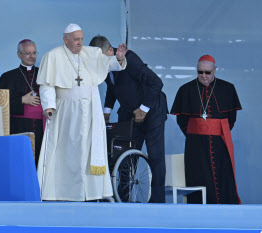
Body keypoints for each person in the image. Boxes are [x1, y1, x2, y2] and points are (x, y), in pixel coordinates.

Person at [36, 23, 128, 201]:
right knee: (67, 151)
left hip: (91, 110)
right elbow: (46, 84)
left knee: (89, 150)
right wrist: (48, 106)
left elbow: (109, 64)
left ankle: (90, 192)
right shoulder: (53, 56)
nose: (80, 43)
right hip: (66, 112)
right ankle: (61, 191)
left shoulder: (90, 53)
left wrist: (119, 58)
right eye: (76, 39)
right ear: (65, 39)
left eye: (81, 39)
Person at [89, 35, 168, 203]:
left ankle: (158, 201)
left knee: (155, 155)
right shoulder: (106, 64)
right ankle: (122, 198)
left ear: (110, 51)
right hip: (130, 111)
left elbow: (156, 83)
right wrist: (107, 111)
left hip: (152, 109)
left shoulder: (129, 59)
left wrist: (143, 109)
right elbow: (113, 87)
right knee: (125, 155)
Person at [171, 54, 242, 204]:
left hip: (220, 143)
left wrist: (216, 131)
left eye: (207, 72)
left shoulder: (227, 88)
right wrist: (196, 133)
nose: (203, 76)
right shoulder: (186, 90)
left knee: (222, 175)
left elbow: (231, 118)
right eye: (200, 72)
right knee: (197, 176)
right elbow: (182, 120)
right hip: (195, 145)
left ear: (215, 70)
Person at [0, 39, 44, 167]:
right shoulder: (7, 77)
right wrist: (22, 100)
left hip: (40, 128)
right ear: (19, 55)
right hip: (18, 127)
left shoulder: (43, 75)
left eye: (34, 53)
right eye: (28, 53)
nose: (32, 56)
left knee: (39, 162)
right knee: (20, 162)